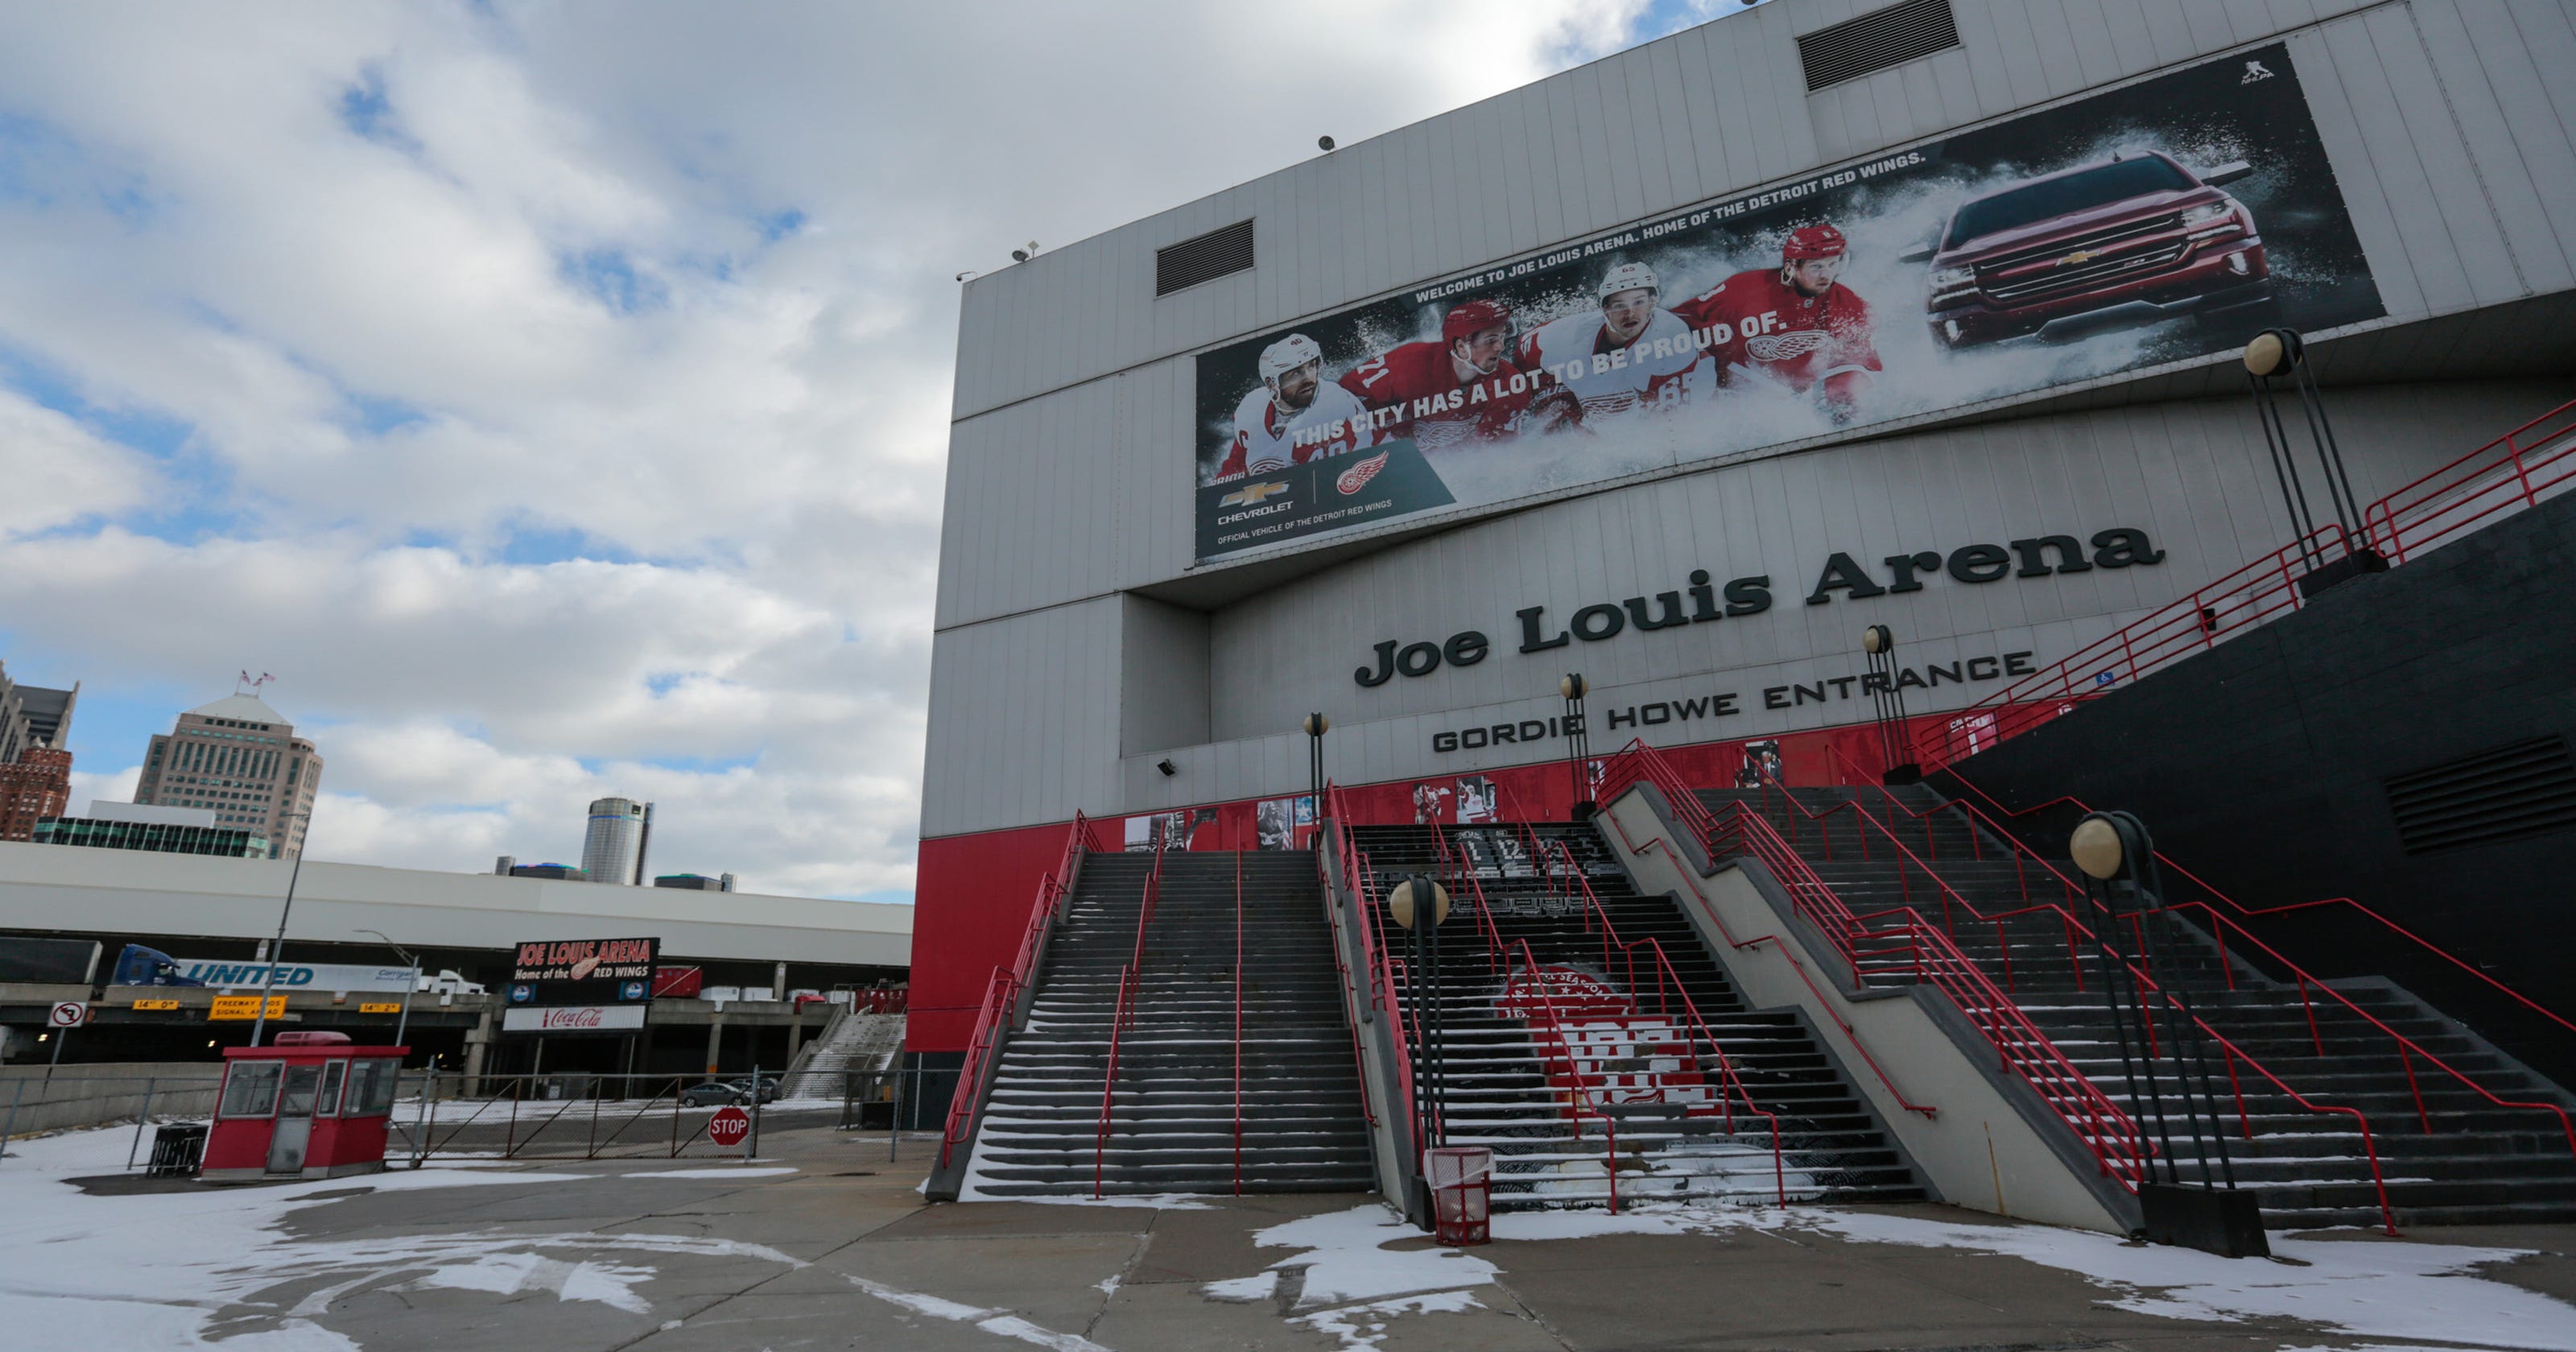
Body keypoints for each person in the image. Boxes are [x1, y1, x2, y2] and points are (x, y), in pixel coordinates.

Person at [1673, 222, 1881, 422]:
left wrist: (1842, 404)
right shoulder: (1744, 290)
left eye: (1833, 264)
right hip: (1728, 394)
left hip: (1791, 402)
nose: (1826, 274)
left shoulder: (1849, 306)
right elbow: (1679, 322)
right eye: (1816, 266)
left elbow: (1856, 367)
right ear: (1792, 267)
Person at [1339, 299, 1579, 451]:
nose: (1501, 348)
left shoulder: (1511, 384)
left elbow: (1492, 452)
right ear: (1461, 347)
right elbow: (1342, 406)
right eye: (1491, 340)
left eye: (1502, 338)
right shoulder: (1408, 365)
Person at [1517, 262, 1707, 422]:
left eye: (1639, 302)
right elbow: (1525, 353)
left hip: (1677, 393)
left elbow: (1667, 424)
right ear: (1605, 309)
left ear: (1653, 302)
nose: (1630, 313)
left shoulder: (1670, 336)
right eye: (1619, 306)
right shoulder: (1561, 335)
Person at [1216, 332, 1375, 480]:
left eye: (1312, 366)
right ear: (1272, 383)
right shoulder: (1252, 407)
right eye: (1296, 372)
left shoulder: (1333, 406)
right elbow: (1235, 465)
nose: (1309, 378)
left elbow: (1320, 486)